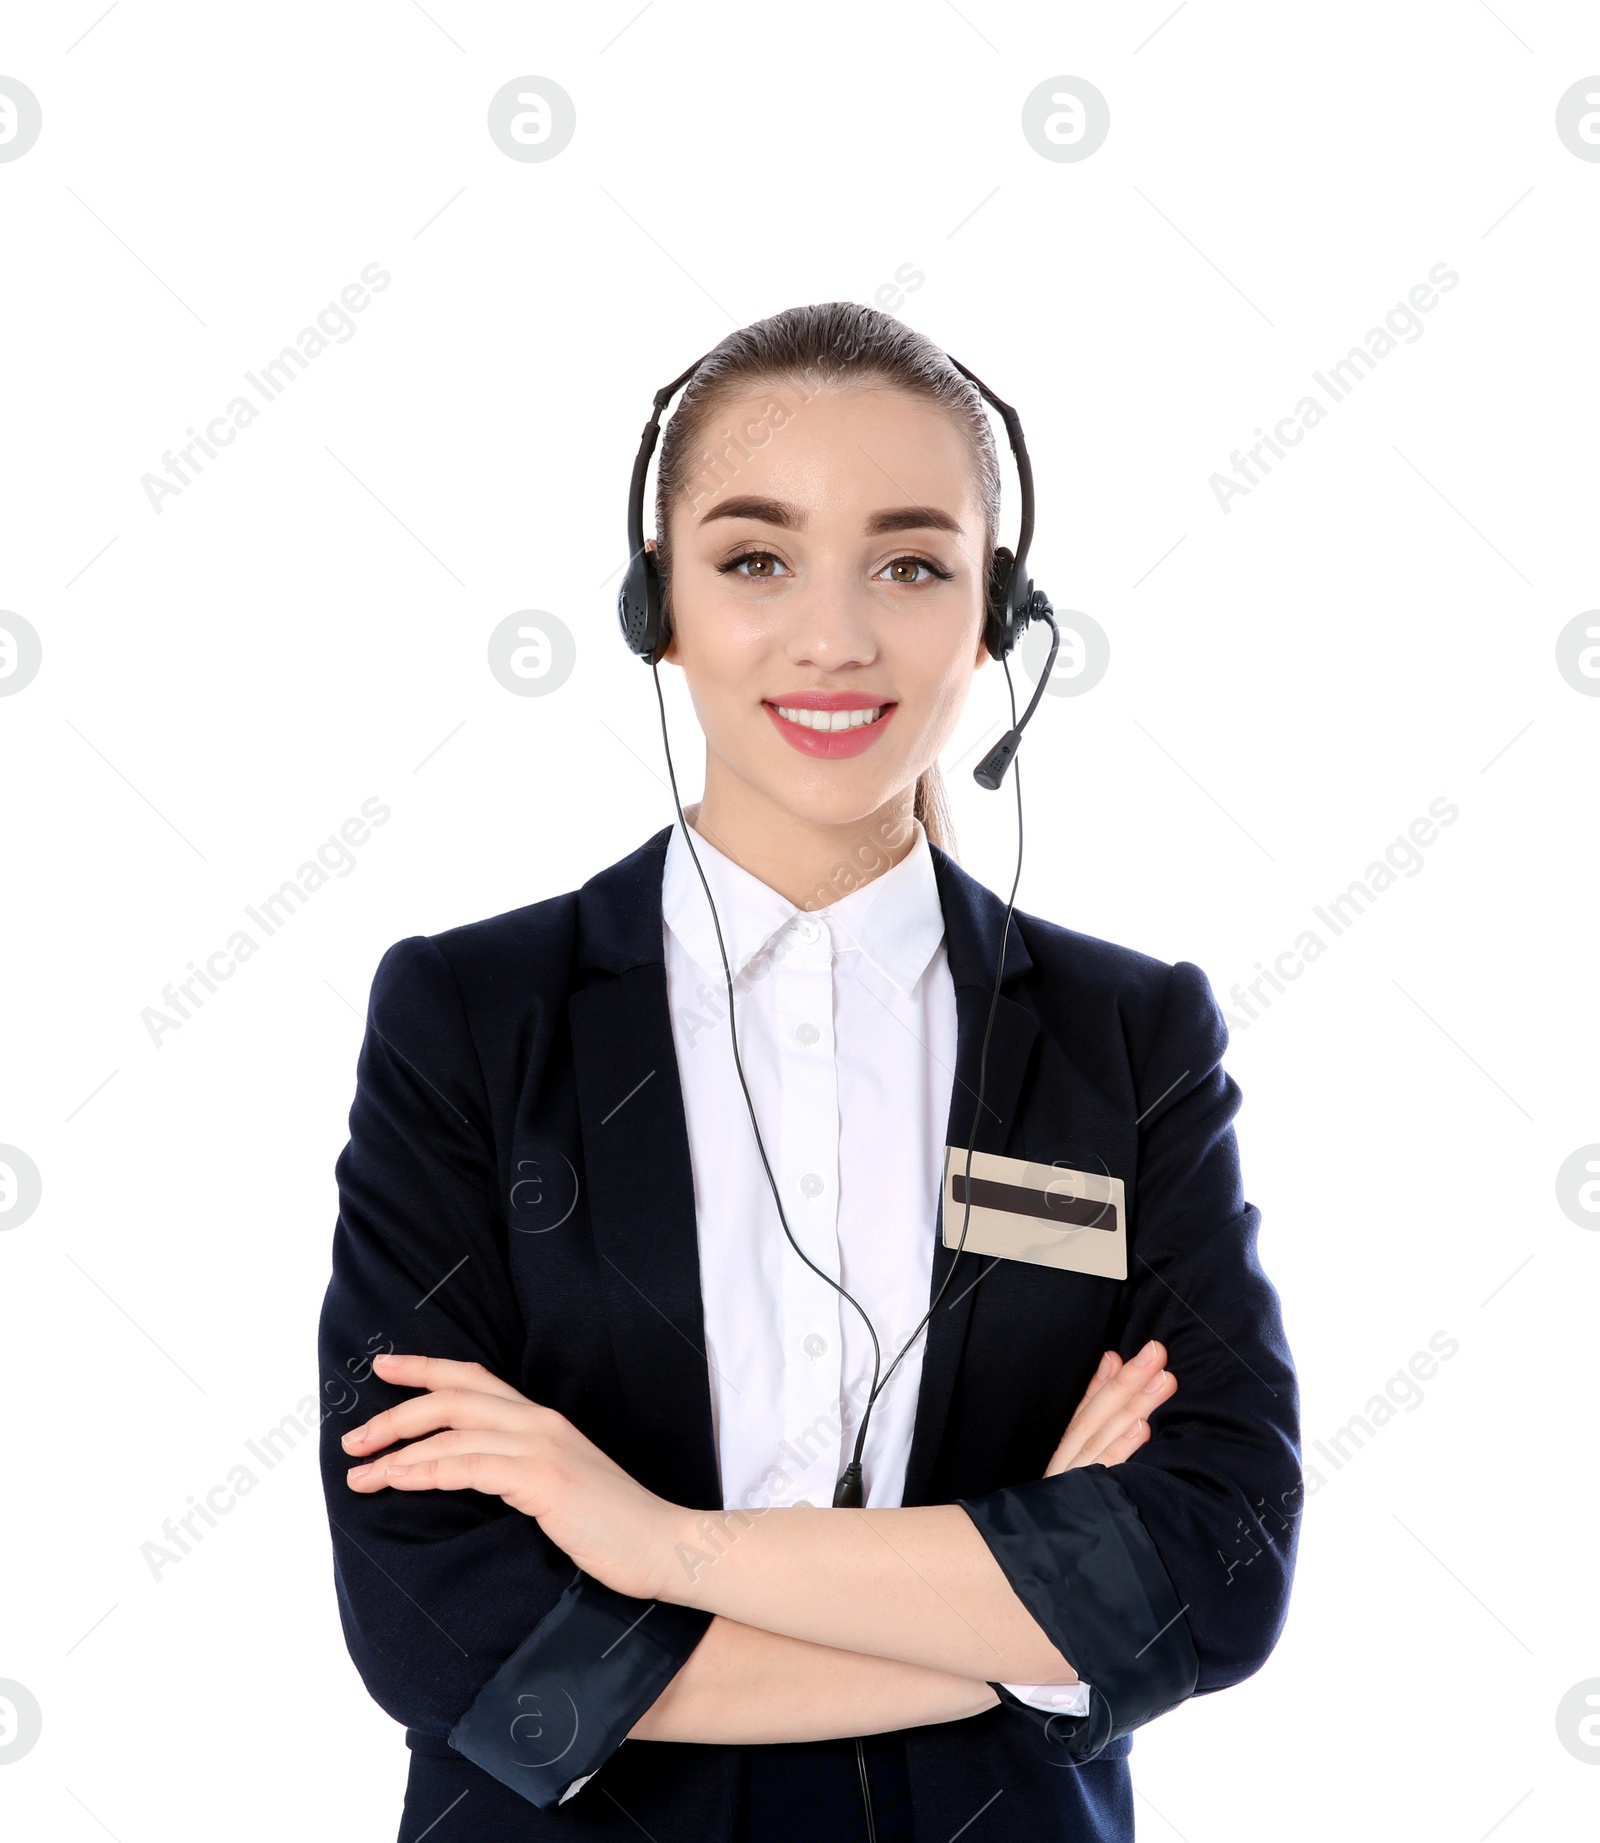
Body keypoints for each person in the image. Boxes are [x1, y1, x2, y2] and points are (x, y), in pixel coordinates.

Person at [315, 303, 1301, 1843]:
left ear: (995, 614)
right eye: (755, 558)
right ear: (660, 607)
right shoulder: (468, 1017)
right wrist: (1018, 1632)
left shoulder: (1129, 1039)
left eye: (910, 564)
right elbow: (446, 1629)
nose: (834, 637)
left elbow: (1215, 1571)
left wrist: (650, 1544)